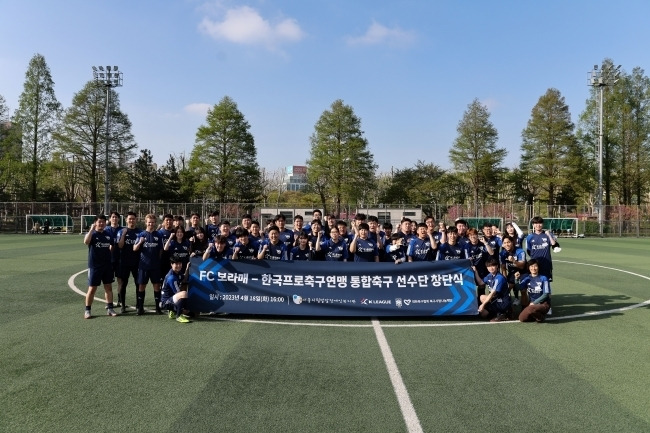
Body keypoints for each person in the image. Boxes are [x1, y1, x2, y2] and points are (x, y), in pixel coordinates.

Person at [83, 214, 117, 318]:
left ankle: (110, 308)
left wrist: (108, 255)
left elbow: (112, 245)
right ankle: (87, 310)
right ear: (95, 223)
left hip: (107, 266)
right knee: (92, 289)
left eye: (103, 221)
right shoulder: (92, 234)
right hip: (95, 266)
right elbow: (86, 242)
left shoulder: (108, 234)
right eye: (99, 221)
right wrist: (91, 230)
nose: (101, 223)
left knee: (108, 287)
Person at [134, 214, 164, 315]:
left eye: (152, 222)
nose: (151, 224)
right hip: (143, 266)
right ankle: (140, 307)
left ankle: (158, 308)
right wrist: (140, 243)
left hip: (155, 266)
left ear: (155, 223)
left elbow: (160, 250)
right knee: (141, 286)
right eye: (149, 222)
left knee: (156, 286)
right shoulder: (141, 235)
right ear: (146, 223)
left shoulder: (158, 235)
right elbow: (134, 248)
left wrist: (156, 260)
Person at [117, 211, 141, 313]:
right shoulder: (121, 232)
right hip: (124, 262)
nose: (131, 220)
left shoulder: (140, 232)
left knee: (138, 284)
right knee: (123, 284)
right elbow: (120, 246)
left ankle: (138, 305)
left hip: (137, 262)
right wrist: (123, 235)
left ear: (136, 220)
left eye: (133, 219)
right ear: (126, 220)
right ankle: (123, 305)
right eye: (129, 219)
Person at [477, 258, 512, 322]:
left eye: (493, 266)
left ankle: (504, 313)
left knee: (483, 299)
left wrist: (483, 305)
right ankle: (497, 313)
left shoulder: (499, 278)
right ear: (487, 268)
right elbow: (481, 283)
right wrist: (475, 272)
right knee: (483, 314)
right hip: (495, 299)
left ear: (497, 266)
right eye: (489, 266)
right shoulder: (490, 275)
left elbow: (493, 293)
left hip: (503, 301)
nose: (491, 268)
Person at [525, 216, 558, 281]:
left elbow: (554, 244)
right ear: (533, 225)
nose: (538, 225)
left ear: (542, 224)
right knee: (535, 283)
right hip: (534, 265)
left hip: (546, 264)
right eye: (536, 223)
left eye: (540, 223)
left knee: (546, 284)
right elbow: (528, 250)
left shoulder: (548, 234)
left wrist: (549, 235)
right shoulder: (529, 237)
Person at [160, 258, 190, 323]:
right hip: (166, 302)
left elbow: (184, 279)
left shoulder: (177, 272)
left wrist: (187, 268)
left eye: (180, 264)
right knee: (184, 294)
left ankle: (172, 311)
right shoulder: (171, 277)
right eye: (176, 264)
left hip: (170, 299)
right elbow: (179, 293)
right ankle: (178, 316)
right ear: (171, 264)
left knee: (188, 310)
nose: (178, 265)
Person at [499, 235, 527, 306]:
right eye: (504, 243)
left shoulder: (520, 251)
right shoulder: (502, 254)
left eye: (508, 242)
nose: (506, 244)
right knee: (506, 290)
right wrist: (504, 279)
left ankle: (524, 308)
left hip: (523, 272)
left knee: (523, 291)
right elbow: (503, 268)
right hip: (512, 273)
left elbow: (522, 266)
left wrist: (514, 261)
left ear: (512, 242)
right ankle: (507, 309)